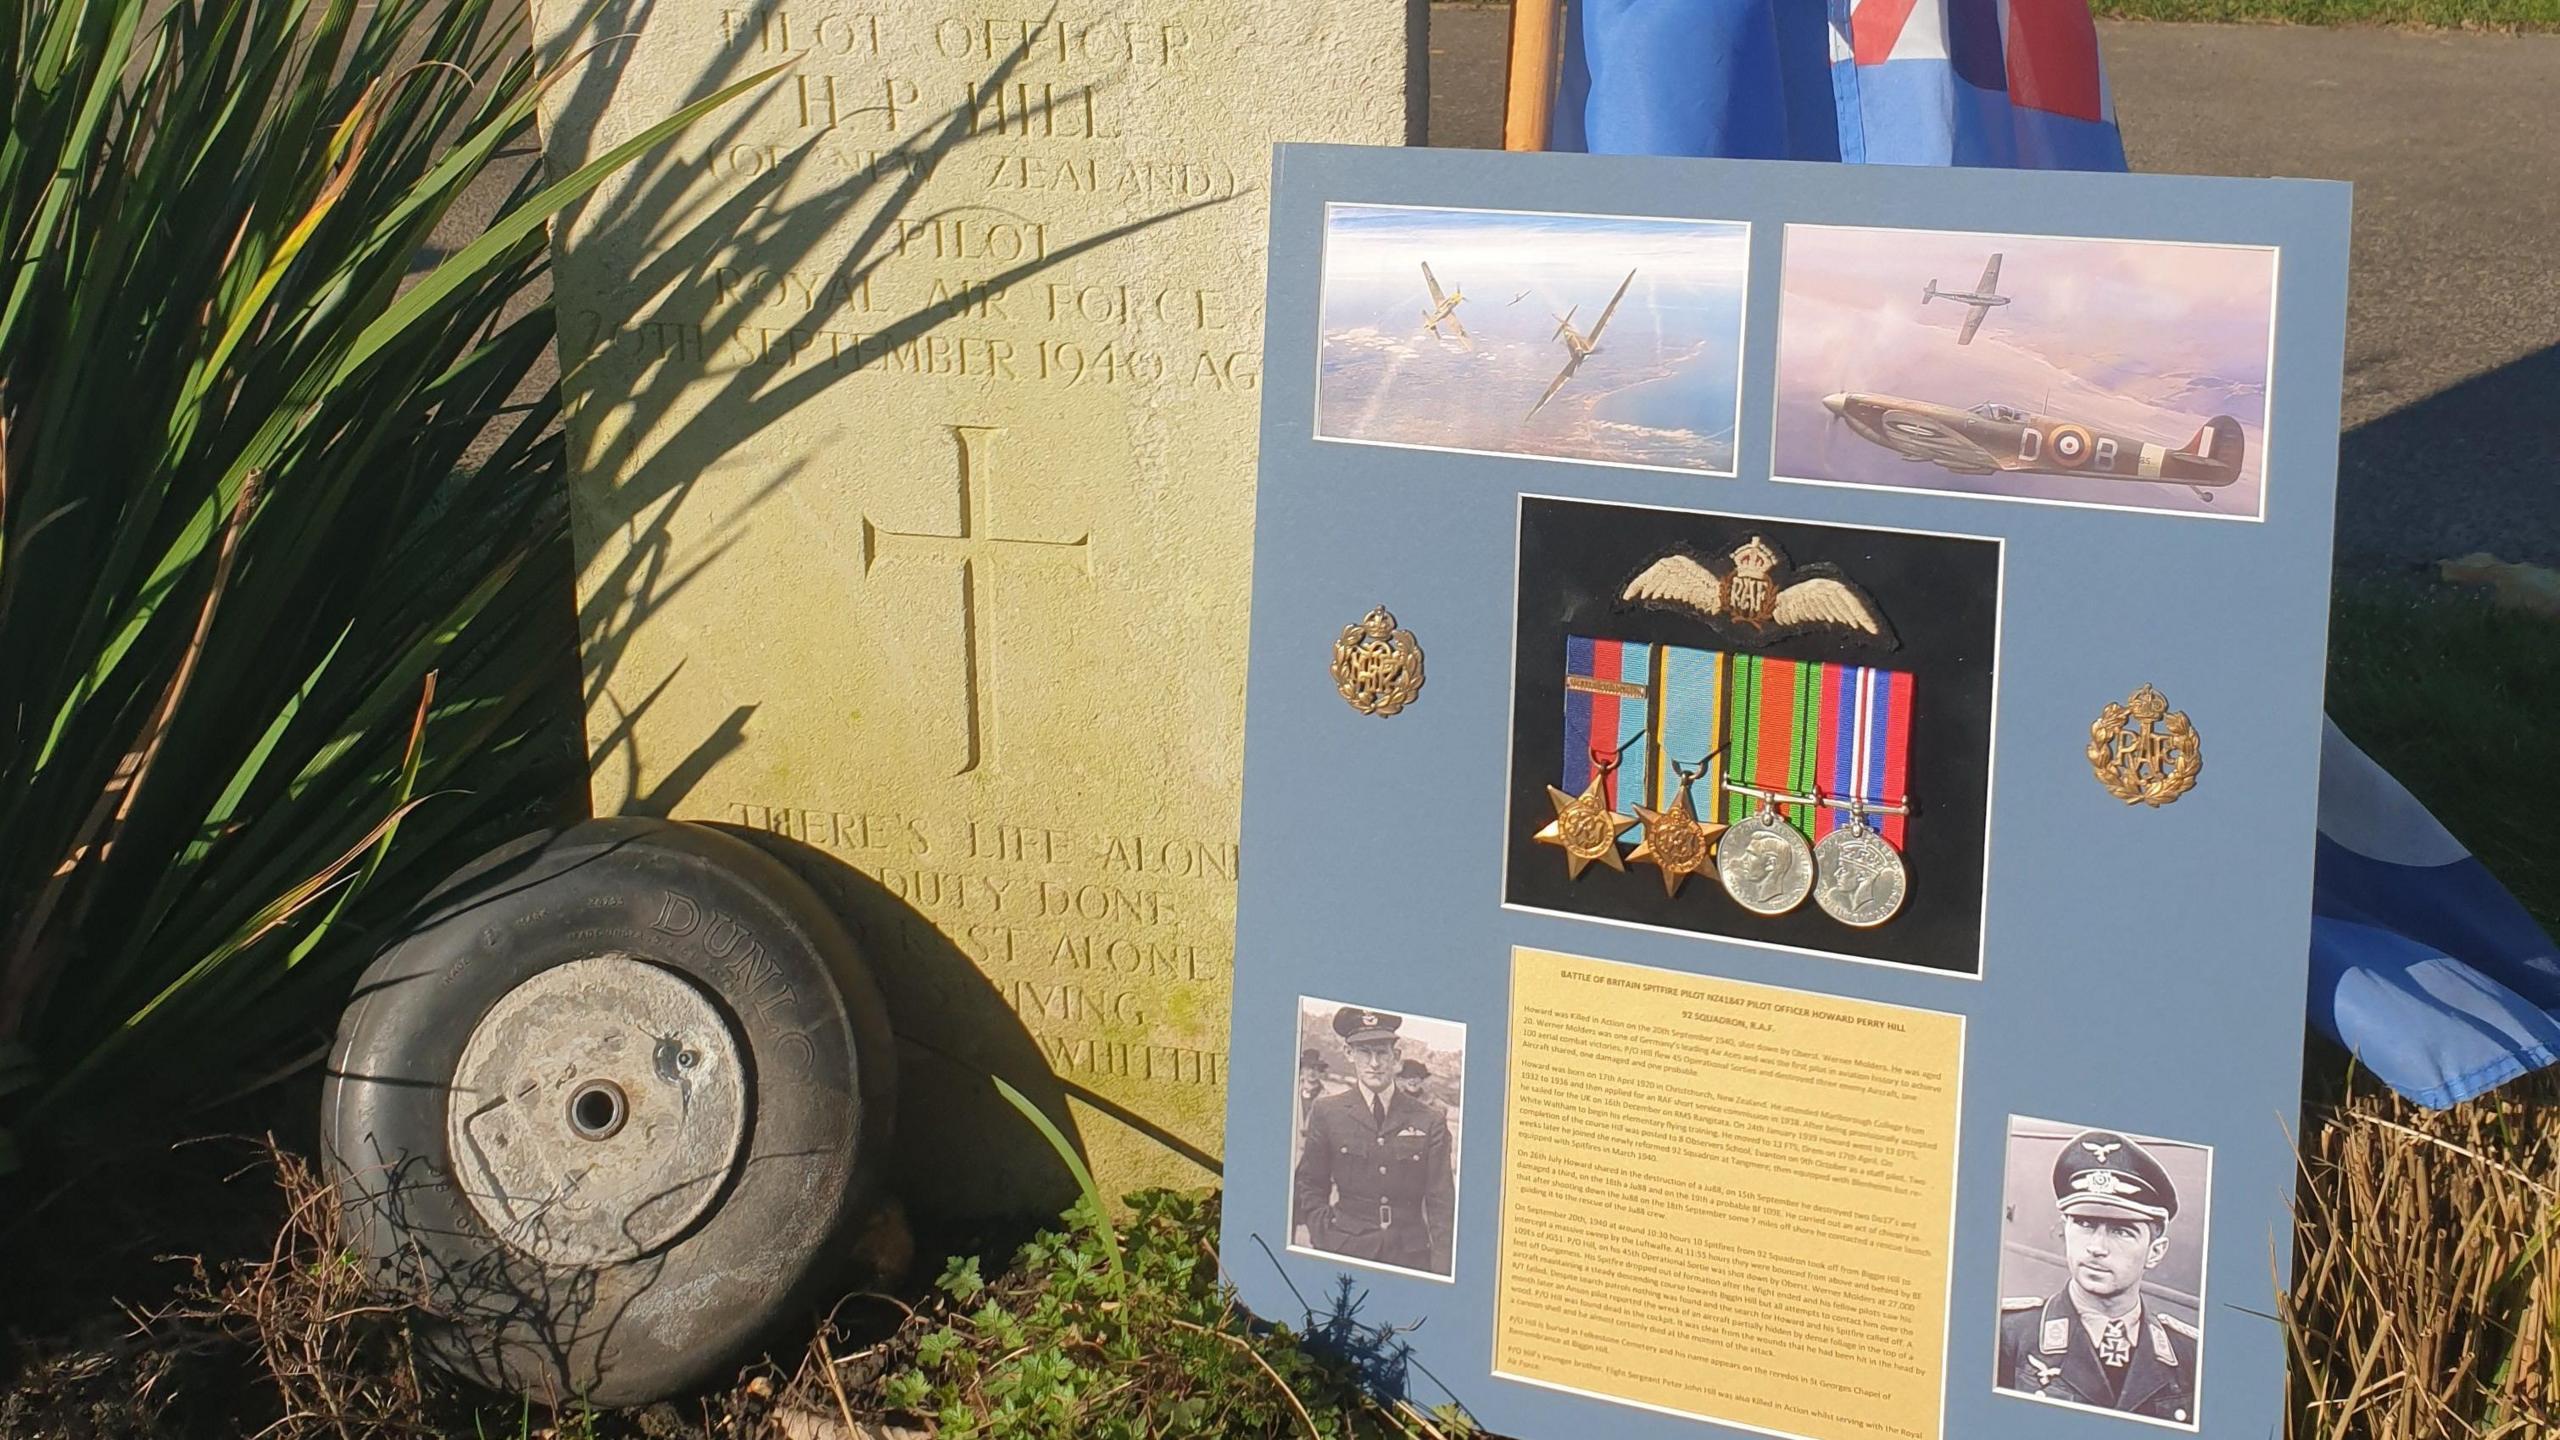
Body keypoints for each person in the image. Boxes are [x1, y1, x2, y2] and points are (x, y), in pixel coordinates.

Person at [1997, 1129, 2201, 1425]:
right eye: (2084, 1223)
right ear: (2064, 1231)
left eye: (2121, 1231)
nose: (2096, 1247)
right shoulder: (2009, 1334)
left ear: (2155, 1252)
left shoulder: (2189, 1356)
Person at [1291, 1006, 1456, 1276]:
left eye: (1381, 1052)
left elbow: (1442, 1202)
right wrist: (1324, 1236)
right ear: (1348, 1054)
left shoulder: (1430, 1119)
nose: (1374, 1063)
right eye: (1364, 1052)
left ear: (1396, 1057)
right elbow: (1310, 1183)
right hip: (1345, 1248)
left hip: (1410, 1257)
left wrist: (1440, 1270)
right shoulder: (1327, 1112)